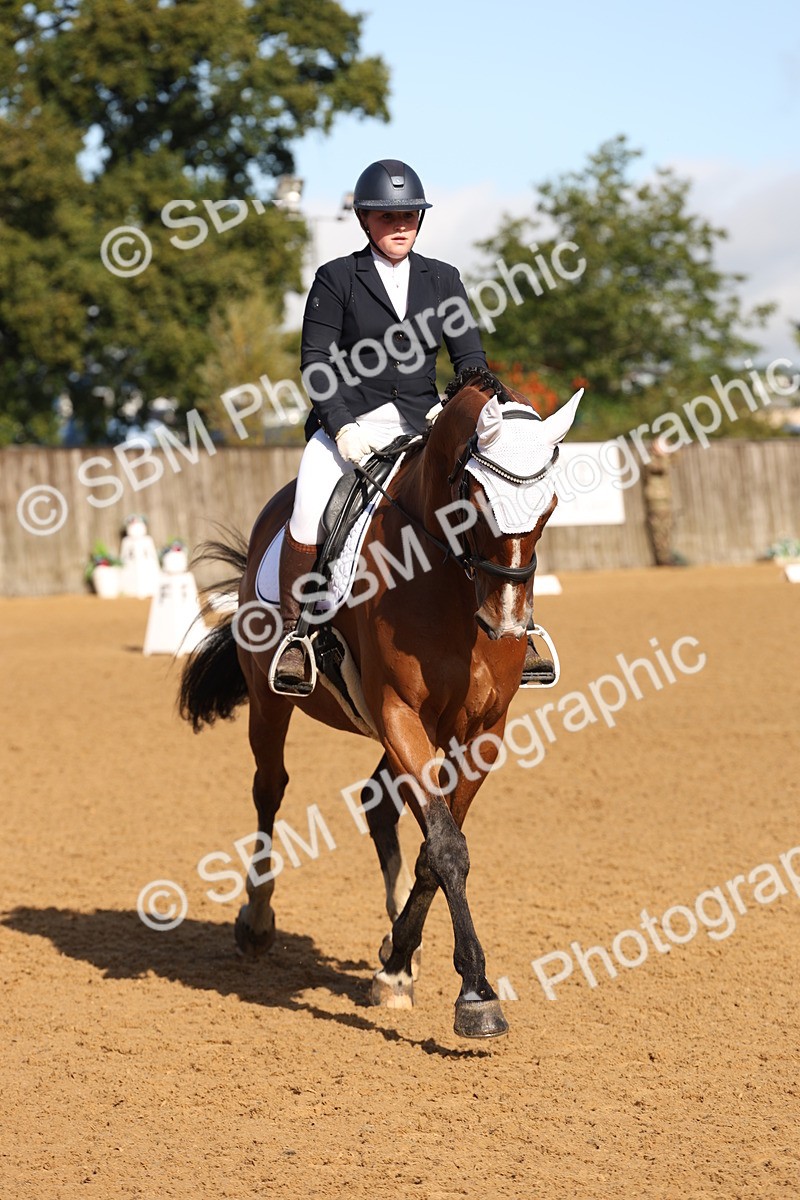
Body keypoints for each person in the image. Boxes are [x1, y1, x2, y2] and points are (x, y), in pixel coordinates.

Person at [271, 158, 551, 694]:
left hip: (420, 425)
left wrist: (475, 404)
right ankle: (297, 637)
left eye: (409, 215)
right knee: (308, 511)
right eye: (387, 216)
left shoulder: (442, 278)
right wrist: (341, 425)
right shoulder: (337, 278)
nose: (400, 224)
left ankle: (523, 625)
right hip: (348, 426)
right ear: (365, 221)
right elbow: (316, 361)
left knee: (501, 498)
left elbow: (470, 359)